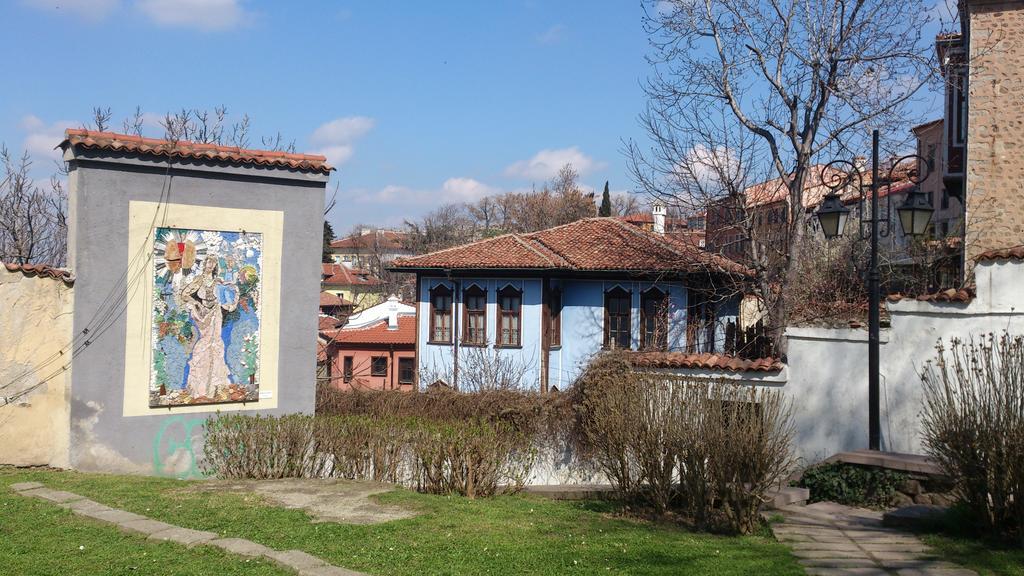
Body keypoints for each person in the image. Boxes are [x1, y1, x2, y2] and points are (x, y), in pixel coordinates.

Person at [179, 256, 238, 400]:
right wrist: (197, 304)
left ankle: (216, 384)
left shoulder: (218, 281)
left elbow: (230, 291)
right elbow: (184, 294)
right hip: (204, 314)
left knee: (216, 342)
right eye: (208, 262)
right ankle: (200, 386)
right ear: (204, 263)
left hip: (216, 312)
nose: (210, 265)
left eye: (213, 262)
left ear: (215, 265)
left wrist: (229, 302)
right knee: (205, 342)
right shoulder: (199, 280)